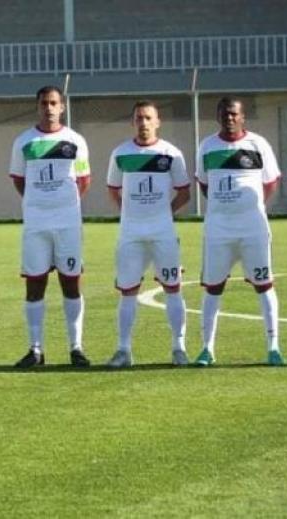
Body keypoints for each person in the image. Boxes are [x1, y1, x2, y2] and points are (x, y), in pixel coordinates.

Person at [194, 96, 283, 366]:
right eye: (224, 113)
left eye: (234, 113)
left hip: (253, 229)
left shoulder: (258, 144)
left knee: (264, 285)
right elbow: (204, 184)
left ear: (243, 117)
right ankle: (207, 349)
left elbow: (270, 183)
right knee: (213, 287)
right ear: (218, 116)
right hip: (218, 231)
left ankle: (273, 348)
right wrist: (226, 207)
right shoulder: (207, 146)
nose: (229, 118)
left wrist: (247, 207)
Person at [9, 85, 91, 368]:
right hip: (36, 224)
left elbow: (83, 180)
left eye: (54, 103)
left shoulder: (75, 140)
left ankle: (76, 348)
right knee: (35, 284)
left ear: (62, 107)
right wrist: (40, 202)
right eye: (44, 103)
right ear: (37, 106)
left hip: (68, 224)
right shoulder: (24, 141)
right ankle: (35, 350)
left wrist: (62, 204)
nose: (49, 108)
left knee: (71, 283)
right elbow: (19, 179)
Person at [104, 100, 191, 367]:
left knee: (173, 288)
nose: (143, 123)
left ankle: (179, 348)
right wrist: (130, 213)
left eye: (148, 118)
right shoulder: (120, 153)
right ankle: (123, 350)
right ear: (133, 122)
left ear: (157, 122)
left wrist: (164, 213)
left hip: (163, 233)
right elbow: (113, 189)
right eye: (139, 118)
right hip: (130, 234)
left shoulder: (171, 154)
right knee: (128, 291)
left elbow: (184, 192)